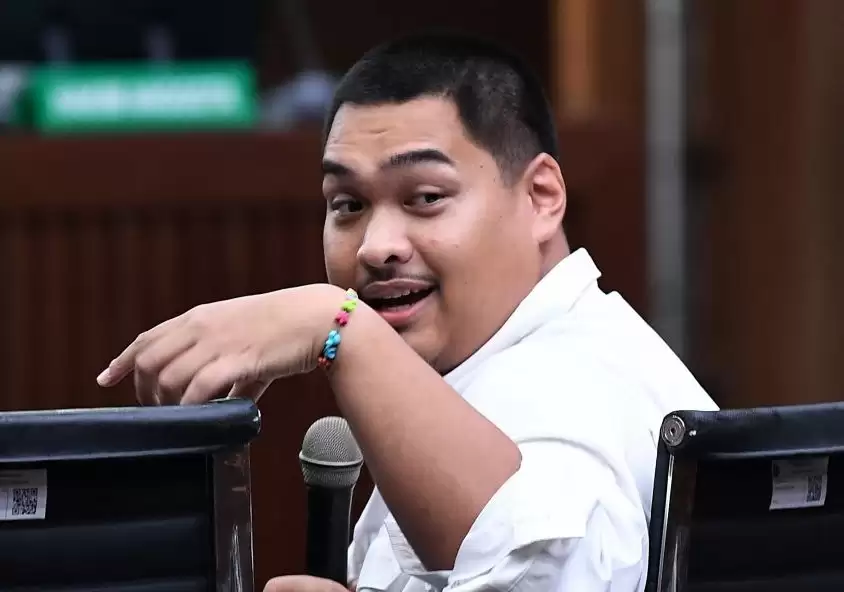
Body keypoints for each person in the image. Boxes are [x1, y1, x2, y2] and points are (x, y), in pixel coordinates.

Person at [96, 33, 717, 592]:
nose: (375, 246)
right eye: (347, 204)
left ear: (540, 197)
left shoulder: (565, 389)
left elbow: (543, 574)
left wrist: (337, 326)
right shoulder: (509, 358)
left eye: (425, 197)